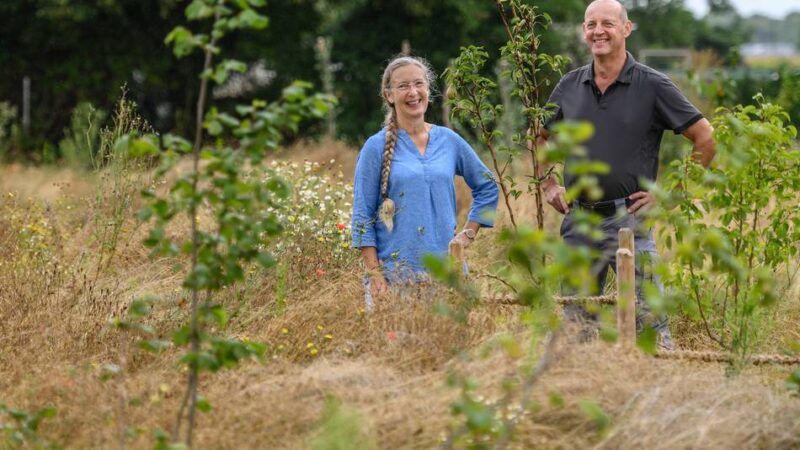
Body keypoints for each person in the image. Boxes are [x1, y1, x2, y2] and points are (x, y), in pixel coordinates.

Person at [538, 0, 716, 349]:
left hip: (629, 220)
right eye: (591, 24)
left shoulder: (653, 85)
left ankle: (657, 390)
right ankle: (581, 392)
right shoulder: (569, 86)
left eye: (607, 23)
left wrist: (671, 194)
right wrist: (549, 181)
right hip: (579, 221)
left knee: (647, 317)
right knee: (576, 320)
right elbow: (540, 138)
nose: (598, 31)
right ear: (584, 31)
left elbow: (705, 137)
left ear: (626, 28)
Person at [351, 55, 499, 309]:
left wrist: (468, 234)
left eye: (419, 84)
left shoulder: (449, 140)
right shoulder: (374, 148)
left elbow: (488, 186)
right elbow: (363, 217)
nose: (413, 92)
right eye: (403, 86)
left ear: (428, 91)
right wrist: (375, 277)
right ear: (388, 95)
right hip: (394, 279)